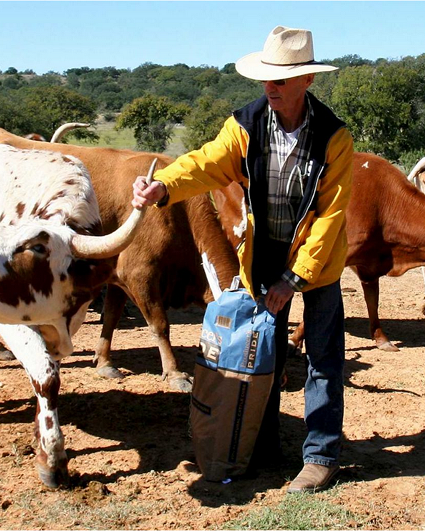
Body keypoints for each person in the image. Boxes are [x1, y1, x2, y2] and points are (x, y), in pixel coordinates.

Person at [132, 25, 353, 493]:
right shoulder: (245, 124)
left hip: (316, 261)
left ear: (306, 81)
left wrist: (294, 279)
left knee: (323, 359)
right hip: (263, 256)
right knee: (265, 354)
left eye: (280, 80)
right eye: (266, 79)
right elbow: (207, 162)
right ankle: (265, 445)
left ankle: (320, 456)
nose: (269, 87)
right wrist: (164, 186)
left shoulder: (335, 138)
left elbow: (330, 218)